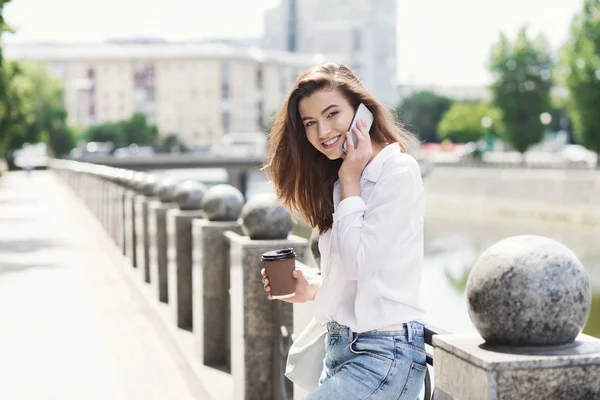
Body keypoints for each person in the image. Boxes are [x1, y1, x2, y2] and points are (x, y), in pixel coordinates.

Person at [261, 63, 427, 399]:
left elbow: (359, 264)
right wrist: (314, 287)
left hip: (385, 354)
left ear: (361, 110)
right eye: (310, 123)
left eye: (332, 113)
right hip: (340, 348)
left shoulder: (397, 171)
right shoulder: (342, 181)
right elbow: (361, 275)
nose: (322, 131)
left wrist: (350, 180)